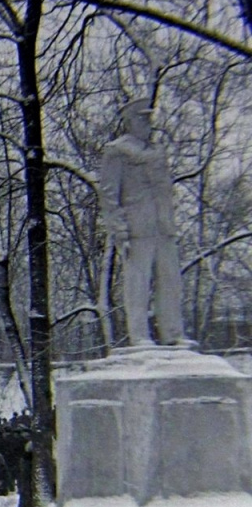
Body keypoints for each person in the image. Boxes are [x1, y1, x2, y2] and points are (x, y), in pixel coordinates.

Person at [100, 96, 185, 345]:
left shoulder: (157, 152)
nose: (148, 123)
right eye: (141, 118)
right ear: (129, 121)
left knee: (170, 282)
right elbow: (108, 194)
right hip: (136, 229)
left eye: (149, 118)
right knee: (138, 284)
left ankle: (173, 334)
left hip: (163, 228)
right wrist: (118, 230)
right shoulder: (117, 151)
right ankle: (139, 336)